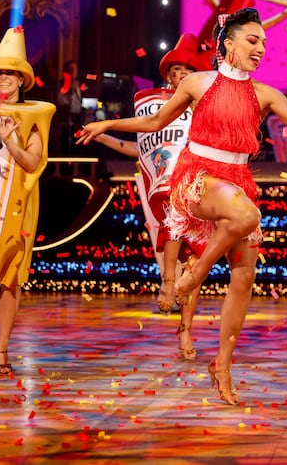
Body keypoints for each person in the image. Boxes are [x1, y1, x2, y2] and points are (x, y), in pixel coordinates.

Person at [76, 7, 287, 405]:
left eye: (264, 42)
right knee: (247, 216)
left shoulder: (267, 94)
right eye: (253, 40)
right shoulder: (197, 82)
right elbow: (155, 122)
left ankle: (222, 364)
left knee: (244, 276)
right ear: (228, 43)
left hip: (239, 180)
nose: (261, 48)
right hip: (198, 177)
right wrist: (107, 125)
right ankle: (193, 275)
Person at [92, 33, 210, 361]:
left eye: (188, 69)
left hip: (202, 186)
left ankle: (185, 328)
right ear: (168, 76)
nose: (182, 74)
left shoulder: (204, 107)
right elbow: (143, 152)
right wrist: (105, 138)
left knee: (196, 265)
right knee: (175, 207)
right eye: (177, 70)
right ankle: (167, 281)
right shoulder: (156, 109)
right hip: (171, 187)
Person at [0, 27, 54, 375]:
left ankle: (1, 348)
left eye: (10, 72)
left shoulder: (34, 117)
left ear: (22, 79)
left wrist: (10, 142)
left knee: (10, 277)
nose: (3, 77)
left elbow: (32, 162)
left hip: (16, 207)